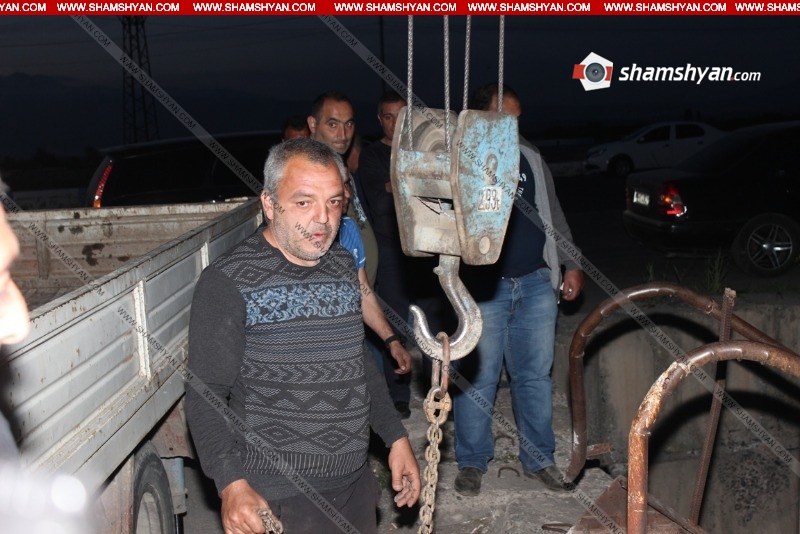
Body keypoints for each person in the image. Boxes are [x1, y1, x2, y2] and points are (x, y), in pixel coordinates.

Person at [185, 138, 420, 534]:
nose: (323, 219)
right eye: (304, 202)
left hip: (354, 486)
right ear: (269, 203)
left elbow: (358, 362)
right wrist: (231, 483)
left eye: (334, 202)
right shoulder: (228, 282)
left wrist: (396, 438)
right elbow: (205, 393)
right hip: (278, 497)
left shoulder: (342, 265)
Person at [452, 83, 585, 496]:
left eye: (516, 118)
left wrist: (572, 263)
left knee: (534, 377)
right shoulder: (460, 156)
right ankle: (472, 460)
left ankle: (539, 458)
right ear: (479, 116)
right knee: (478, 377)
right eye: (503, 116)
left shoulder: (530, 156)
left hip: (535, 283)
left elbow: (553, 216)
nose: (511, 125)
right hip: (483, 288)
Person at [308, 91, 414, 418]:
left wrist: (391, 339)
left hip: (361, 292)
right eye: (333, 124)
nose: (343, 133)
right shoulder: (307, 172)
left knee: (367, 386)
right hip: (329, 315)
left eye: (349, 124)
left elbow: (360, 278)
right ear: (313, 124)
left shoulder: (341, 170)